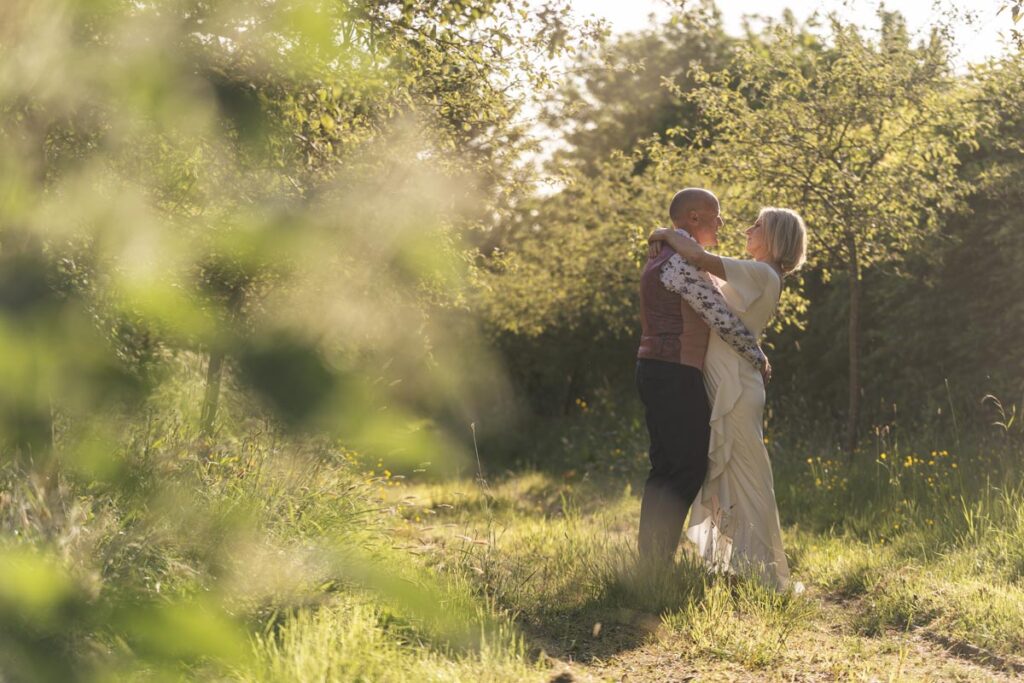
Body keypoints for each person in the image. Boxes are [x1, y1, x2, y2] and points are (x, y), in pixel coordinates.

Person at [647, 206, 808, 591]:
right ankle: (735, 568)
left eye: (758, 225)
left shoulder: (761, 272)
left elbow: (700, 259)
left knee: (748, 476)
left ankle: (764, 575)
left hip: (736, 383)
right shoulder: (755, 275)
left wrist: (665, 233)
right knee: (729, 475)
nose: (748, 229)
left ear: (775, 238)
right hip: (729, 377)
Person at [635, 188, 770, 570]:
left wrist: (661, 232)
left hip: (658, 369)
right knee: (686, 465)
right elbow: (718, 316)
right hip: (672, 371)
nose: (722, 223)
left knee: (668, 465)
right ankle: (655, 564)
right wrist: (755, 354)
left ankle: (652, 563)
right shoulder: (680, 262)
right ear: (694, 219)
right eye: (716, 215)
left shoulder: (668, 253)